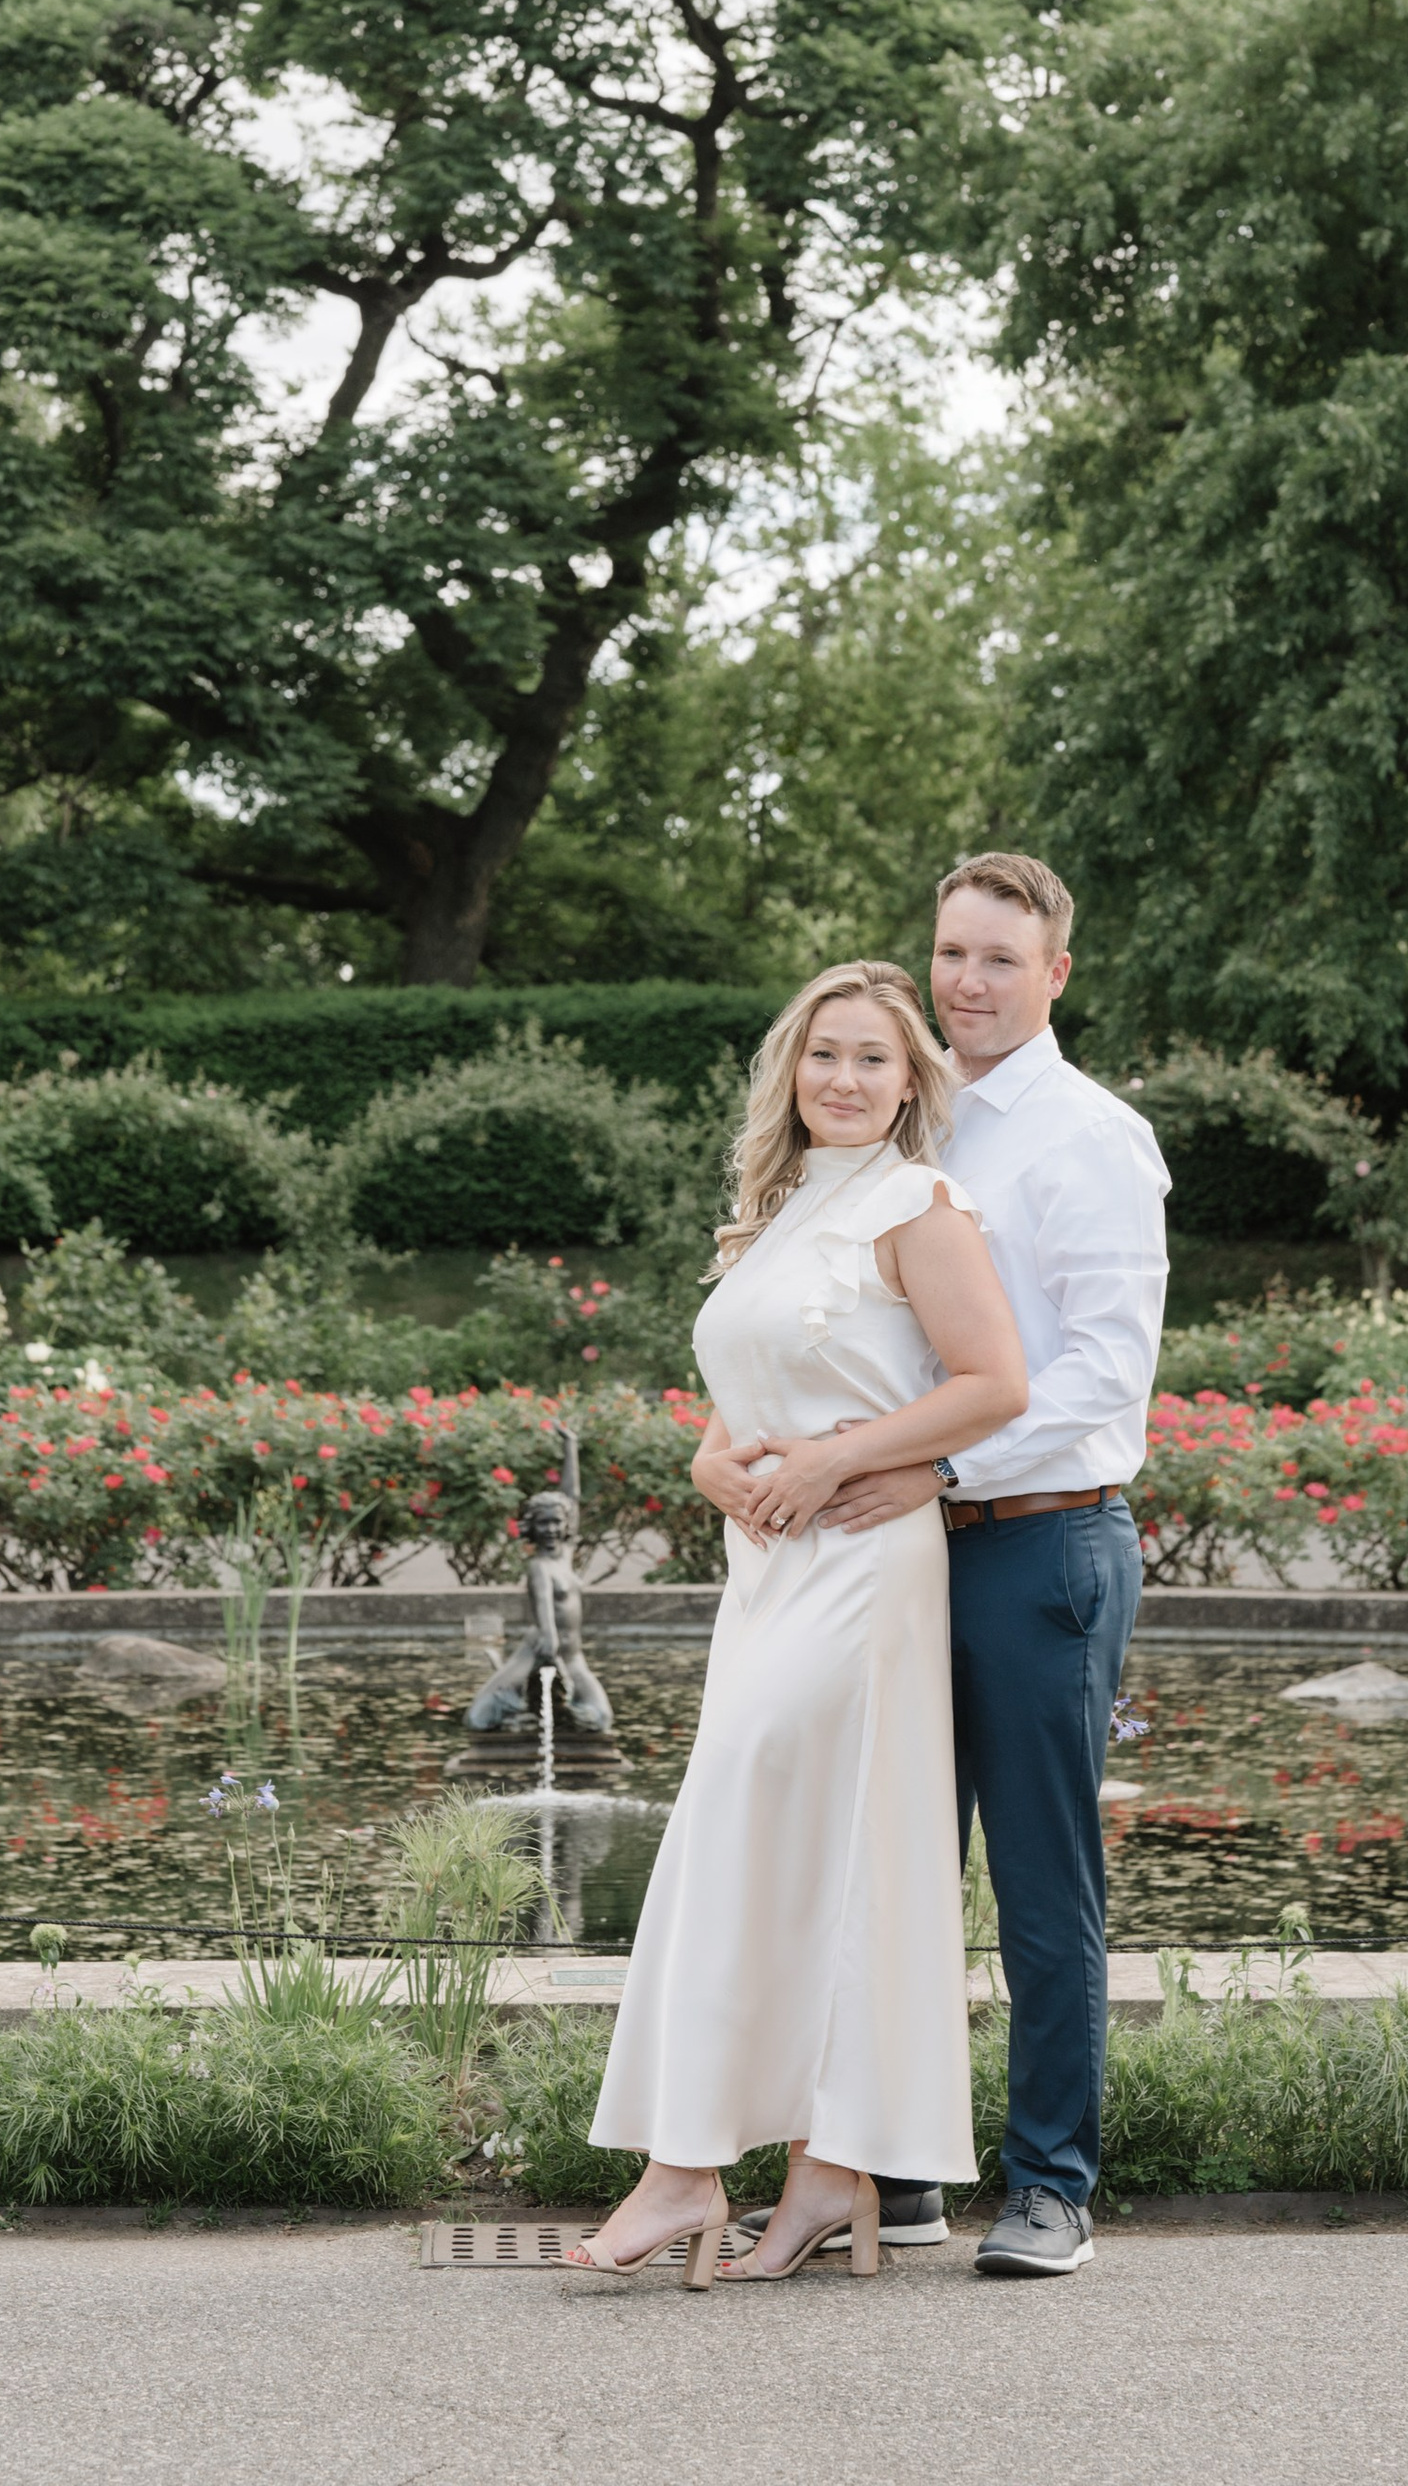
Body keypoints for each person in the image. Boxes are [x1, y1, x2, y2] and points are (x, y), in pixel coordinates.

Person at [565, 959, 1029, 2288]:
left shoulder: (919, 1206)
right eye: (825, 1054)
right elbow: (736, 1411)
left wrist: (838, 1463)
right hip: (764, 1574)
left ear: (910, 1081)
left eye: (874, 1058)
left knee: (752, 1825)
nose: (844, 1078)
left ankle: (683, 2170)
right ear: (793, 1070)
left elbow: (996, 1382)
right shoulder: (770, 1216)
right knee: (809, 1852)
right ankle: (826, 2167)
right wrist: (719, 1469)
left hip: (867, 1568)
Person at [816, 852, 1168, 2276]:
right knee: (892, 1867)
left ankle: (1050, 2186)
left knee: (1040, 1880)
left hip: (1041, 1547)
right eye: (952, 954)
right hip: (899, 1549)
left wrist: (939, 1468)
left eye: (1000, 960)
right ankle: (900, 2173)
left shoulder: (1091, 1138)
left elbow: (1101, 1380)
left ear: (1056, 974)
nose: (967, 982)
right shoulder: (902, 1132)